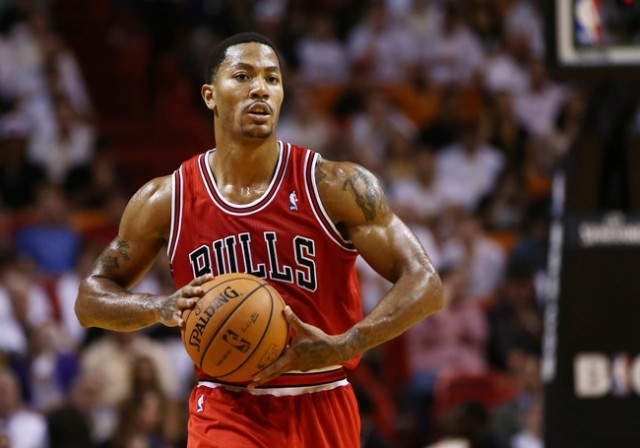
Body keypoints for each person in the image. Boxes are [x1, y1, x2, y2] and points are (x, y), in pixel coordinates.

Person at [75, 32, 443, 447]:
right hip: (226, 406)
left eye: (272, 78)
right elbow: (89, 299)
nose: (260, 89)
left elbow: (426, 283)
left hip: (321, 399)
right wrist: (157, 307)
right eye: (243, 76)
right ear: (210, 96)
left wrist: (348, 343)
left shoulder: (335, 185)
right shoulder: (167, 199)